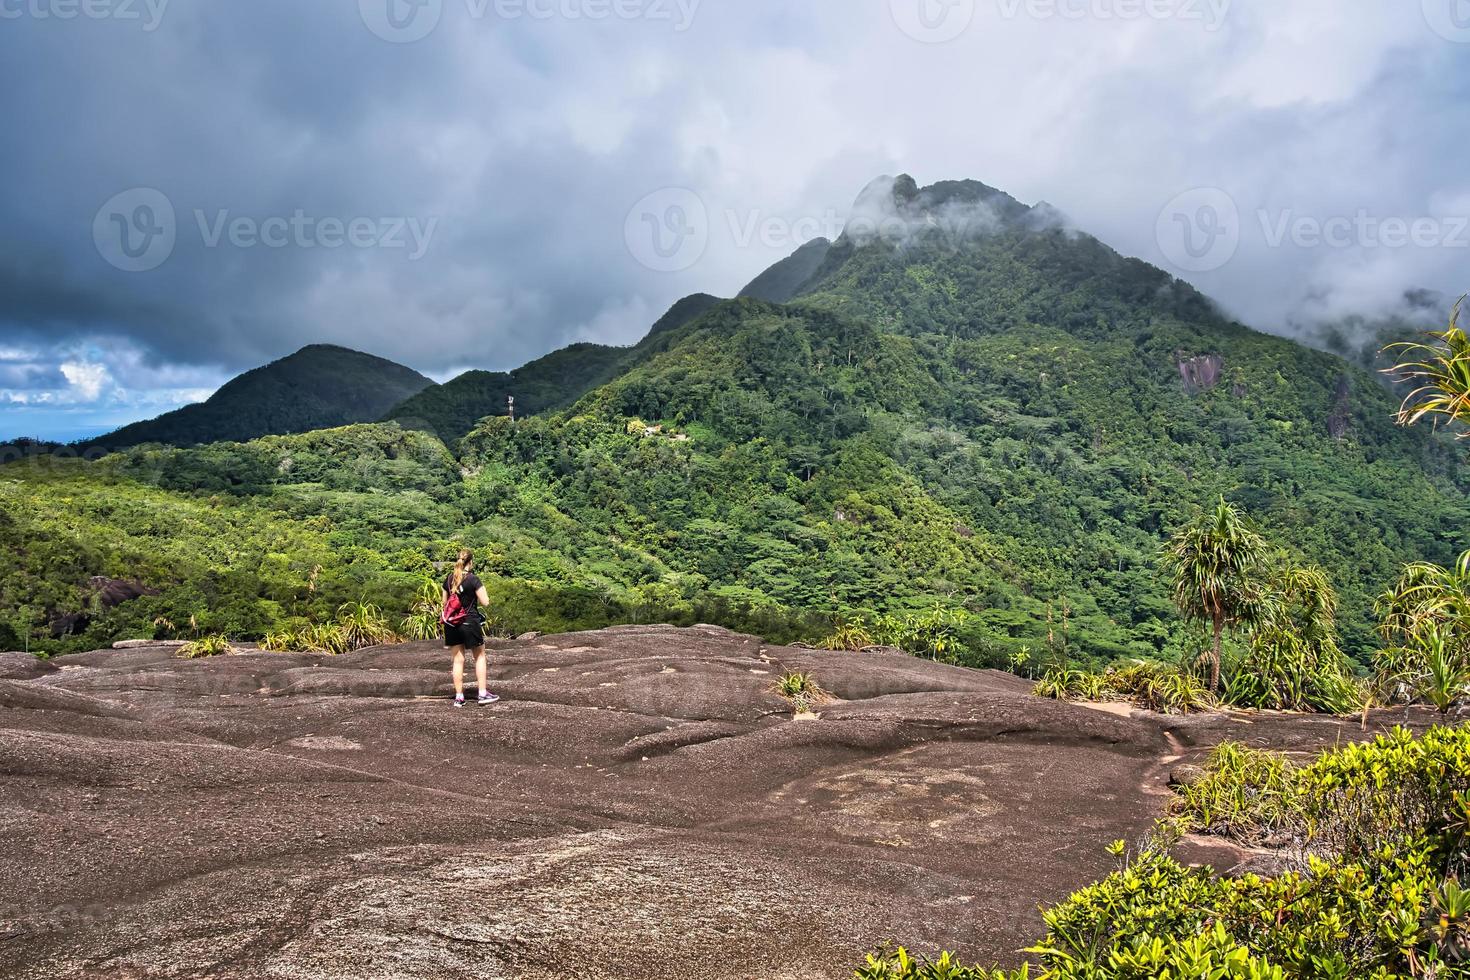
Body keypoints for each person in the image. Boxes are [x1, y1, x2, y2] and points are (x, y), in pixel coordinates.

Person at [442, 549, 498, 707]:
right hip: (469, 622)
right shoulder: (473, 579)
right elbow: (485, 601)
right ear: (470, 562)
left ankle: (459, 697)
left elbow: (444, 602)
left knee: (458, 660)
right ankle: (482, 694)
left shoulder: (448, 579)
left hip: (452, 623)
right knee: (479, 657)